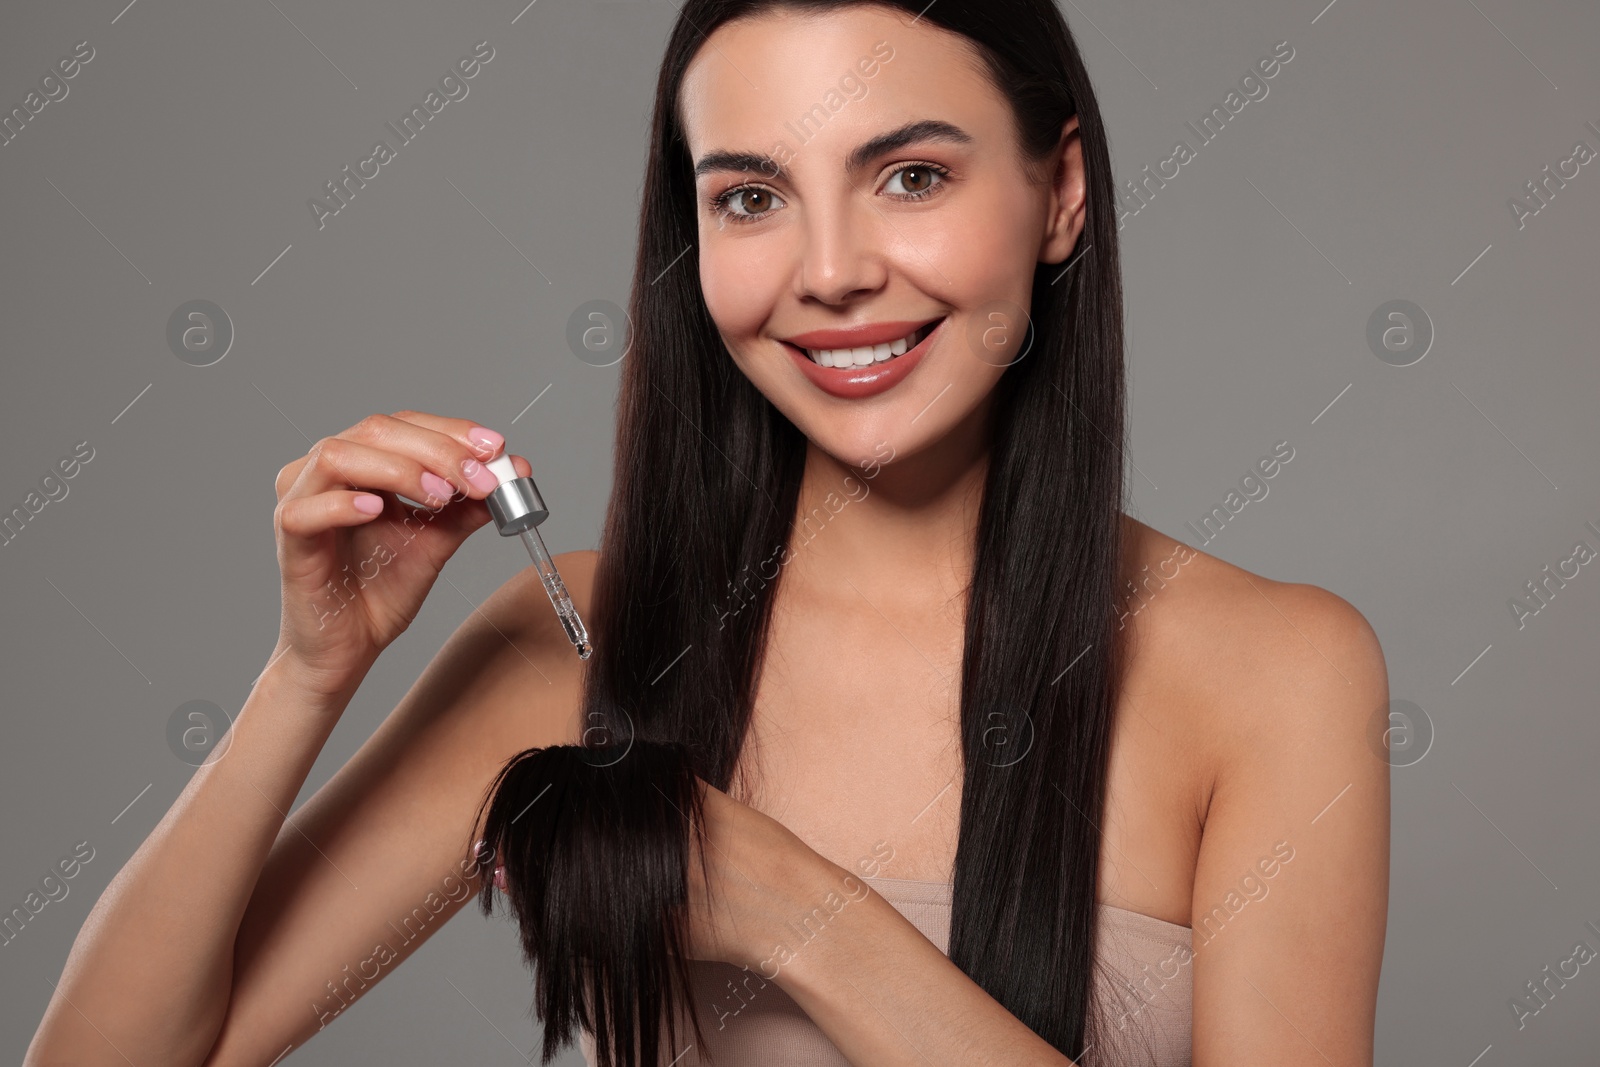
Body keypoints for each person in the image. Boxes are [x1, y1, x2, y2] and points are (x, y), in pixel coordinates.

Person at [26, 2, 1389, 1065]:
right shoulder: (579, 639)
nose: (832, 269)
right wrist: (307, 675)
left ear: (1062, 194)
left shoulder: (1274, 673)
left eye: (910, 176)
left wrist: (790, 909)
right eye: (750, 196)